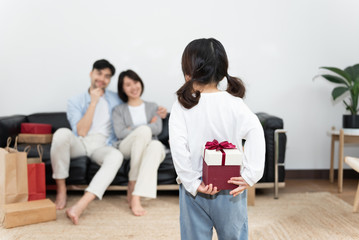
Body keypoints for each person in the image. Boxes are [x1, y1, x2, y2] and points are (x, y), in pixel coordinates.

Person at [169, 38, 266, 240]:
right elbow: (256, 131)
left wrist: (192, 182)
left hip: (194, 190)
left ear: (188, 70)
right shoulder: (235, 103)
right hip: (231, 187)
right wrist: (250, 175)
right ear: (222, 69)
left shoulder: (182, 105)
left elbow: (178, 148)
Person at [50, 59, 124, 225]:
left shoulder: (116, 99)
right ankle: (61, 189)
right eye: (99, 73)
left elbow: (132, 111)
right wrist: (94, 102)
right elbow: (81, 131)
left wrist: (156, 112)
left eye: (107, 76)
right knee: (61, 133)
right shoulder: (75, 101)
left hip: (104, 145)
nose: (102, 78)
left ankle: (80, 205)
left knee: (116, 156)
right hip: (81, 143)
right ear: (91, 74)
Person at [112, 70, 166, 216]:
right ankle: (133, 182)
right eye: (128, 84)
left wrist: (131, 128)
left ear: (140, 83)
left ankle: (136, 195)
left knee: (155, 146)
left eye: (135, 82)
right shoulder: (118, 110)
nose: (133, 87)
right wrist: (144, 126)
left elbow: (158, 128)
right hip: (126, 146)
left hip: (149, 144)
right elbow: (120, 133)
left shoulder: (153, 106)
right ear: (122, 89)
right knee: (143, 131)